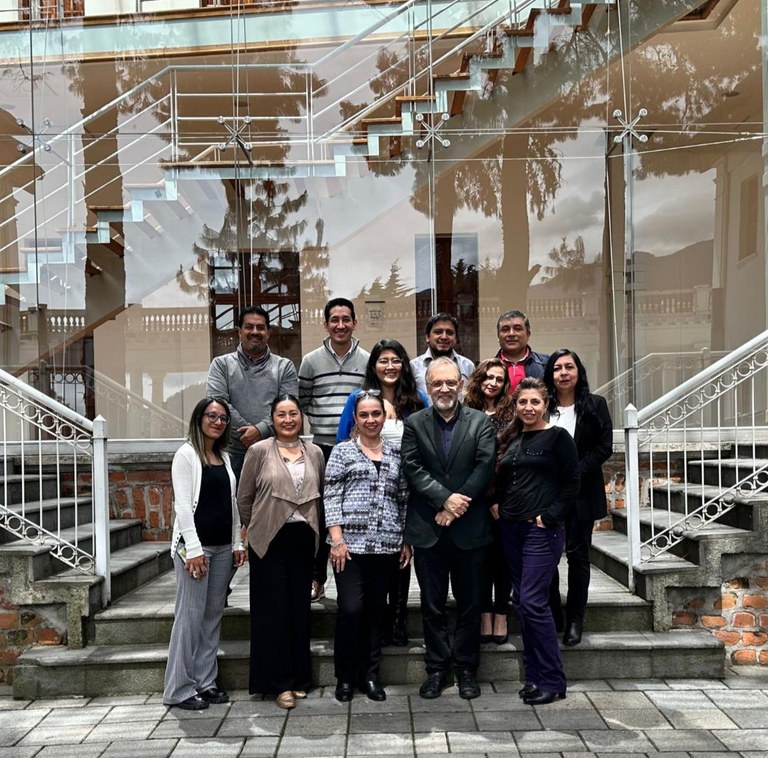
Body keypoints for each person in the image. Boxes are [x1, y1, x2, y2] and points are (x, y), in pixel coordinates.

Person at [401, 357, 496, 700]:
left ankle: (467, 669)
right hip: (429, 528)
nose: (444, 388)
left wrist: (455, 507)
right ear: (428, 387)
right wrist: (444, 500)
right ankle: (437, 669)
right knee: (433, 604)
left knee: (470, 603)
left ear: (461, 384)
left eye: (450, 382)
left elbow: (484, 466)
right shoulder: (414, 423)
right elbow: (412, 468)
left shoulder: (480, 422)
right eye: (436, 383)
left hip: (469, 529)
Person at [336, 339, 427, 647]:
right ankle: (376, 622)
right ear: (373, 366)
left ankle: (398, 620)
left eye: (396, 360)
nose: (390, 366)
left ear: (404, 364)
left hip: (410, 487)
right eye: (383, 360)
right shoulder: (357, 399)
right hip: (369, 488)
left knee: (401, 557)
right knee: (375, 567)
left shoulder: (417, 400)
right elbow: (342, 441)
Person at [494, 378, 579, 706]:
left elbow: (573, 483)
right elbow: (503, 478)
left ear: (547, 405)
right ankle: (533, 677)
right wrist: (497, 504)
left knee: (532, 602)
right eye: (522, 402)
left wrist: (551, 516)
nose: (528, 408)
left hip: (541, 531)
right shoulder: (511, 438)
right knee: (522, 603)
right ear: (515, 406)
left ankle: (553, 680)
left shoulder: (558, 438)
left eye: (535, 403)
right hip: (511, 529)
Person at [237, 394, 325, 710]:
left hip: (303, 539)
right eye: (281, 414)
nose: (288, 419)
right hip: (269, 540)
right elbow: (244, 497)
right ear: (272, 419)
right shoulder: (259, 451)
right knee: (272, 613)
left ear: (301, 417)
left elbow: (321, 498)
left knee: (298, 612)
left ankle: (300, 678)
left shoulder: (314, 452)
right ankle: (278, 684)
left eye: (293, 414)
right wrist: (255, 526)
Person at [325, 392, 411, 702]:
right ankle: (345, 678)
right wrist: (337, 540)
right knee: (351, 609)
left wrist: (405, 541)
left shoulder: (395, 453)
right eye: (364, 415)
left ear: (384, 417)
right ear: (356, 419)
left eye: (377, 414)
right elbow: (331, 498)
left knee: (376, 611)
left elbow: (402, 500)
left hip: (386, 545)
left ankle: (370, 676)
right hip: (349, 547)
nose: (371, 420)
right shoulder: (342, 452)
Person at [163, 397, 246, 711]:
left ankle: (204, 682)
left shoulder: (222, 456)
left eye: (223, 418)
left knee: (212, 617)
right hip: (195, 550)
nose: (218, 421)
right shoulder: (186, 455)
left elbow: (233, 503)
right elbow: (183, 507)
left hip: (223, 547)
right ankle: (178, 689)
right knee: (189, 618)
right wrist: (194, 550)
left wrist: (237, 544)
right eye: (212, 415)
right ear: (199, 418)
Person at [299, 297, 369, 601]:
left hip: (358, 448)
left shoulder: (367, 359)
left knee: (354, 511)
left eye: (346, 319)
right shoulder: (311, 360)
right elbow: (303, 399)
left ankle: (355, 577)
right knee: (320, 512)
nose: (340, 325)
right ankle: (317, 577)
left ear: (354, 323)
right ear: (326, 324)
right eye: (334, 320)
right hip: (323, 447)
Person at [543, 349, 613, 647]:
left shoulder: (595, 405)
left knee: (578, 556)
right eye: (557, 368)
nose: (563, 373)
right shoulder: (542, 406)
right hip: (547, 495)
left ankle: (575, 620)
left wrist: (573, 472)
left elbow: (603, 447)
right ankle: (554, 615)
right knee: (547, 557)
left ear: (578, 371)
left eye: (569, 367)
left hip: (582, 493)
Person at [207, 305, 299, 479]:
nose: (255, 332)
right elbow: (217, 403)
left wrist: (260, 430)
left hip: (276, 450)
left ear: (268, 333)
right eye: (249, 327)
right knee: (233, 503)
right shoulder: (221, 365)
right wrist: (246, 434)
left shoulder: (284, 366)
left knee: (274, 504)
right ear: (239, 332)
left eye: (260, 327)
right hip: (230, 452)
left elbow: (290, 406)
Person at [463, 359, 515, 646]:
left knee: (501, 558)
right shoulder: (466, 411)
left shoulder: (511, 414)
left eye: (499, 378)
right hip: (473, 498)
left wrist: (497, 497)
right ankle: (484, 613)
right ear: (479, 379)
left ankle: (500, 613)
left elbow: (506, 458)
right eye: (488, 377)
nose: (493, 383)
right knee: (479, 561)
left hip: (501, 499)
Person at [410, 313, 475, 401]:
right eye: (438, 332)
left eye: (449, 333)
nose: (444, 337)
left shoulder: (467, 366)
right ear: (427, 337)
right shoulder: (413, 367)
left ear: (455, 338)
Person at [495, 310, 548, 394]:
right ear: (498, 336)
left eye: (517, 329)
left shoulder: (546, 364)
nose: (511, 334)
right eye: (505, 330)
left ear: (528, 334)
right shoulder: (487, 368)